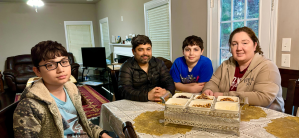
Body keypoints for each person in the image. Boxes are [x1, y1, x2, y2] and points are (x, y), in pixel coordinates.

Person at [13, 41, 111, 138]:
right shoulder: (29, 106)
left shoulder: (72, 90)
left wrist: (101, 134)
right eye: (50, 65)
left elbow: (83, 123)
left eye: (64, 62)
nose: (61, 69)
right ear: (37, 71)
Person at [202, 27, 284, 112]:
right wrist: (209, 90)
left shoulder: (267, 67)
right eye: (234, 44)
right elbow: (213, 82)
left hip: (265, 118)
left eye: (244, 43)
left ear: (255, 46)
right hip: (230, 113)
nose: (239, 48)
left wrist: (224, 96)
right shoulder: (226, 64)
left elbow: (264, 98)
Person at [118, 35, 175, 102]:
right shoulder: (126, 66)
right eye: (140, 50)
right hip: (135, 104)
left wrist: (167, 93)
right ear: (133, 52)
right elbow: (124, 91)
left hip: (157, 102)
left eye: (148, 49)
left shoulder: (159, 63)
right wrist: (147, 95)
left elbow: (169, 82)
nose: (145, 53)